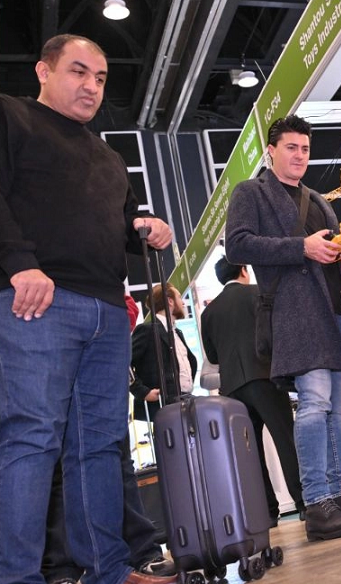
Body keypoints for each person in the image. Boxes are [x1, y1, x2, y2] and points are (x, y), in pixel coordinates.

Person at [0, 34, 175, 584]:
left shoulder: (108, 156)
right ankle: (17, 577)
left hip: (107, 311)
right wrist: (18, 263)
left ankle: (108, 570)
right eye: (78, 72)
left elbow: (118, 224)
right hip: (38, 300)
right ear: (43, 71)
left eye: (100, 78)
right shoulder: (11, 117)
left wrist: (144, 228)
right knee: (32, 437)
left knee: (99, 445)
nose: (91, 86)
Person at [225, 114, 341, 542]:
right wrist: (302, 247)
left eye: (305, 148)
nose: (300, 156)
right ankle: (316, 502)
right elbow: (237, 244)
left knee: (339, 408)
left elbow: (327, 249)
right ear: (271, 151)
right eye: (291, 148)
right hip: (294, 312)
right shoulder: (250, 192)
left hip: (335, 310)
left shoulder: (316, 198)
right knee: (315, 404)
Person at [42, 295, 176, 584]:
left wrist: (113, 318)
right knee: (58, 469)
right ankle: (61, 569)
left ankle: (140, 552)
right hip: (54, 347)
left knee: (117, 462)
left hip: (97, 353)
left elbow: (127, 305)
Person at [200, 255, 305, 524]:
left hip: (232, 389)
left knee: (251, 451)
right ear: (244, 270)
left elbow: (212, 356)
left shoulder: (208, 312)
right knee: (285, 439)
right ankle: (304, 502)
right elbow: (274, 332)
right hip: (265, 377)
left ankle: (267, 512)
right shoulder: (258, 294)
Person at [130, 283, 197, 422]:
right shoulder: (147, 330)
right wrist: (142, 392)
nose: (183, 303)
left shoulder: (177, 332)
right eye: (179, 297)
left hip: (185, 401)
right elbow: (123, 364)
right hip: (163, 407)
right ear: (170, 301)